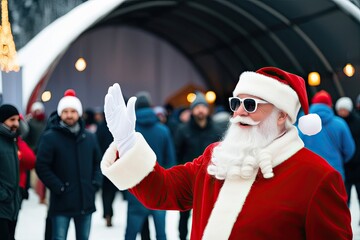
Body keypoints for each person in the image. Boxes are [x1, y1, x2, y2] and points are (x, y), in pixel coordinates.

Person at [101, 67, 352, 239]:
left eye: (251, 105)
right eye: (236, 103)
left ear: (282, 115)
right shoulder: (215, 157)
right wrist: (126, 143)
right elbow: (165, 190)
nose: (240, 112)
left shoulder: (317, 177)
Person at [36, 89, 102, 240]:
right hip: (61, 203)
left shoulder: (90, 137)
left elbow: (98, 163)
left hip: (85, 202)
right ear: (60, 113)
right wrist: (58, 186)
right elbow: (42, 166)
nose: (69, 115)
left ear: (79, 113)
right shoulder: (50, 137)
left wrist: (95, 183)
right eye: (65, 111)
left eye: (73, 111)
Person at [123, 91, 176, 240]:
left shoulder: (130, 133)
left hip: (137, 189)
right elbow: (170, 161)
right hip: (159, 189)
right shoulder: (163, 130)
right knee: (161, 233)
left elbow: (122, 161)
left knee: (131, 233)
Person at [173, 91, 223, 240]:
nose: (200, 110)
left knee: (209, 214)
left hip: (210, 180)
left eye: (203, 107)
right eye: (197, 107)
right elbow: (177, 154)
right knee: (184, 215)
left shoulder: (217, 131)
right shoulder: (183, 130)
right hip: (189, 180)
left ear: (208, 110)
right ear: (192, 110)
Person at [299, 90, 355, 180]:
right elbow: (349, 149)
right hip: (335, 172)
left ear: (313, 105)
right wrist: (339, 160)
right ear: (329, 105)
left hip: (310, 173)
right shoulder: (340, 123)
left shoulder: (302, 124)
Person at [0, 104, 22, 240]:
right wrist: (3, 194)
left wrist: (18, 193)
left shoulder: (12, 140)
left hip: (12, 206)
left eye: (18, 120)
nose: (16, 124)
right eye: (12, 120)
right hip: (2, 205)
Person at [95, 114, 121, 227]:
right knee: (111, 191)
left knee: (106, 192)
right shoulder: (119, 126)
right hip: (116, 164)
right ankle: (108, 213)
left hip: (105, 163)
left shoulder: (101, 126)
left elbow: (96, 145)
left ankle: (107, 213)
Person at [335, 97, 360, 205]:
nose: (342, 112)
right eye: (340, 110)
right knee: (345, 198)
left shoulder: (357, 122)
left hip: (357, 164)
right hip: (344, 166)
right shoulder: (336, 124)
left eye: (344, 109)